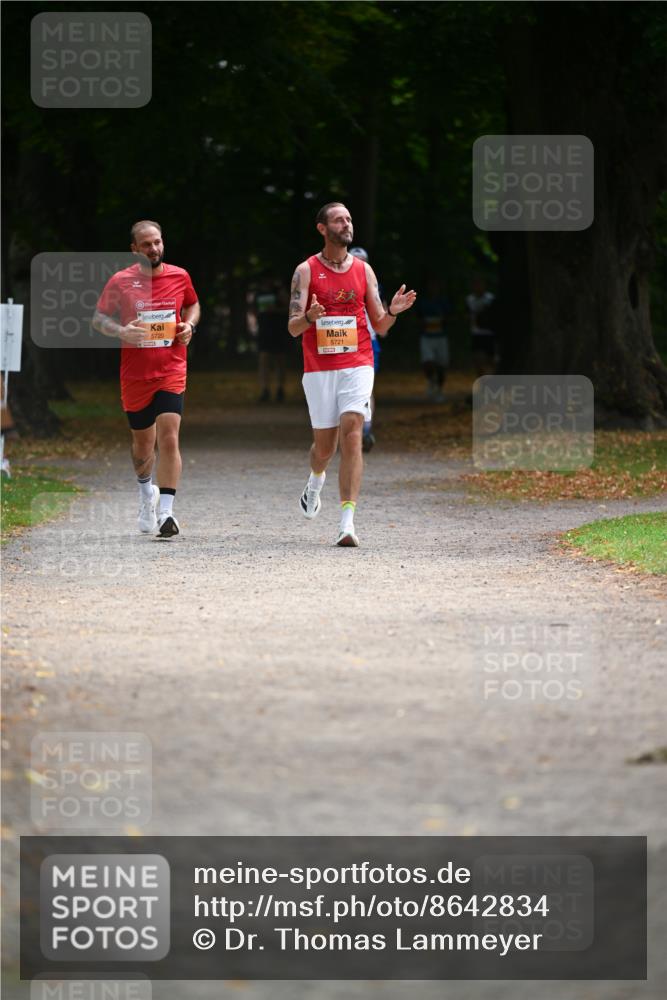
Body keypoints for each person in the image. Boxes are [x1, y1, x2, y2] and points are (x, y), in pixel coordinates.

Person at [288, 202, 416, 547]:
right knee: (324, 449)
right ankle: (316, 479)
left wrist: (393, 311)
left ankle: (347, 522)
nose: (346, 224)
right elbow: (292, 327)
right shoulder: (306, 271)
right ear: (322, 229)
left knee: (353, 432)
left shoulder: (364, 271)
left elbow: (380, 325)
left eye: (349, 218)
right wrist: (311, 318)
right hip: (319, 369)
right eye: (338, 220)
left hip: (358, 362)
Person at [92, 220, 200, 537]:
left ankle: (167, 512)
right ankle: (146, 494)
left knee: (169, 435)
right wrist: (122, 331)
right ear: (134, 249)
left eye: (157, 242)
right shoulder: (121, 281)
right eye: (146, 244)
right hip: (135, 374)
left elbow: (193, 304)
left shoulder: (180, 276)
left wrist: (190, 326)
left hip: (171, 368)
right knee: (143, 445)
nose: (154, 248)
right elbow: (99, 319)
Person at [349, 247, 386, 452]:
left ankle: (366, 430)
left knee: (366, 388)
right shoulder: (339, 284)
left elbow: (384, 311)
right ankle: (352, 430)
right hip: (343, 340)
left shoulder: (375, 285)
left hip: (368, 340)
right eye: (354, 260)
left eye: (362, 261)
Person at [252, 272, 290, 403]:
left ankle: (280, 388)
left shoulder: (279, 292)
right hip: (264, 330)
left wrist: (274, 309)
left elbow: (289, 308)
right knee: (264, 360)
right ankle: (265, 389)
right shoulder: (257, 293)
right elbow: (253, 310)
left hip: (278, 330)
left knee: (280, 360)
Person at [417, 278, 453, 402]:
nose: (433, 288)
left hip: (441, 337)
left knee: (442, 365)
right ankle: (431, 381)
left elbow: (449, 317)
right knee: (428, 363)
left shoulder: (443, 302)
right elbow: (418, 318)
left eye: (435, 285)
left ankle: (439, 389)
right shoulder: (422, 302)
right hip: (426, 337)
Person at [466, 273, 497, 377]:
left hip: (490, 333)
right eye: (476, 284)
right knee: (478, 361)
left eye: (480, 284)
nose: (478, 286)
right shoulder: (469, 300)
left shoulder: (491, 298)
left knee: (491, 360)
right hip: (477, 333)